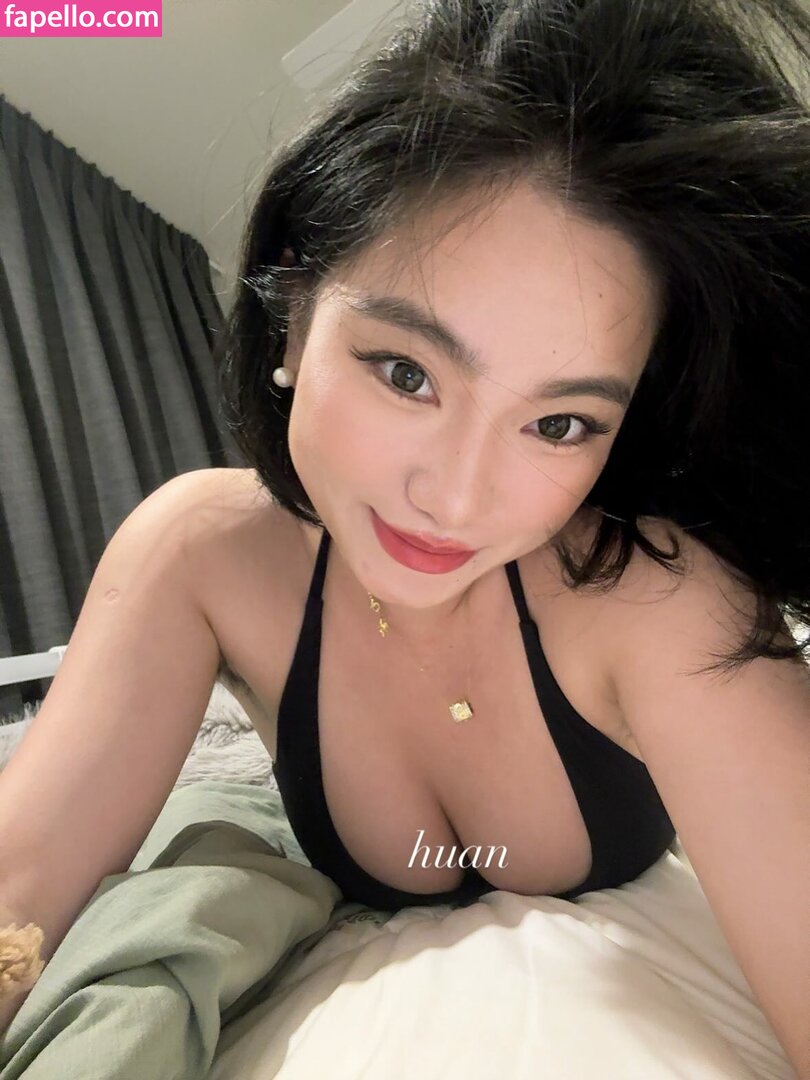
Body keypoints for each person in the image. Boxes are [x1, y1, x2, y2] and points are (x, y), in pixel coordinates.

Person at [2, 0, 808, 1071]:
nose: (458, 499)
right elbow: (17, 893)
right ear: (293, 313)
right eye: (405, 372)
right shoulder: (202, 553)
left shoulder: (656, 593)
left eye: (559, 423)